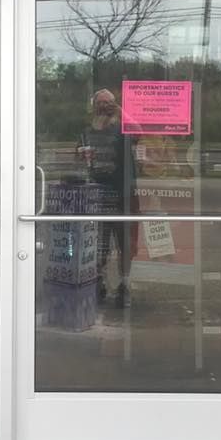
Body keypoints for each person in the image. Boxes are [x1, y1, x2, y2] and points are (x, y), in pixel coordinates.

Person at [78, 88, 133, 309]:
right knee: (100, 241)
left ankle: (124, 284)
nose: (105, 107)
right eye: (101, 103)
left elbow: (139, 132)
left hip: (121, 193)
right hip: (96, 193)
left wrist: (121, 111)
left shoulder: (122, 129)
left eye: (109, 103)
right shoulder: (86, 131)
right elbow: (79, 155)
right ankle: (99, 281)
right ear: (94, 106)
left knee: (124, 242)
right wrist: (82, 155)